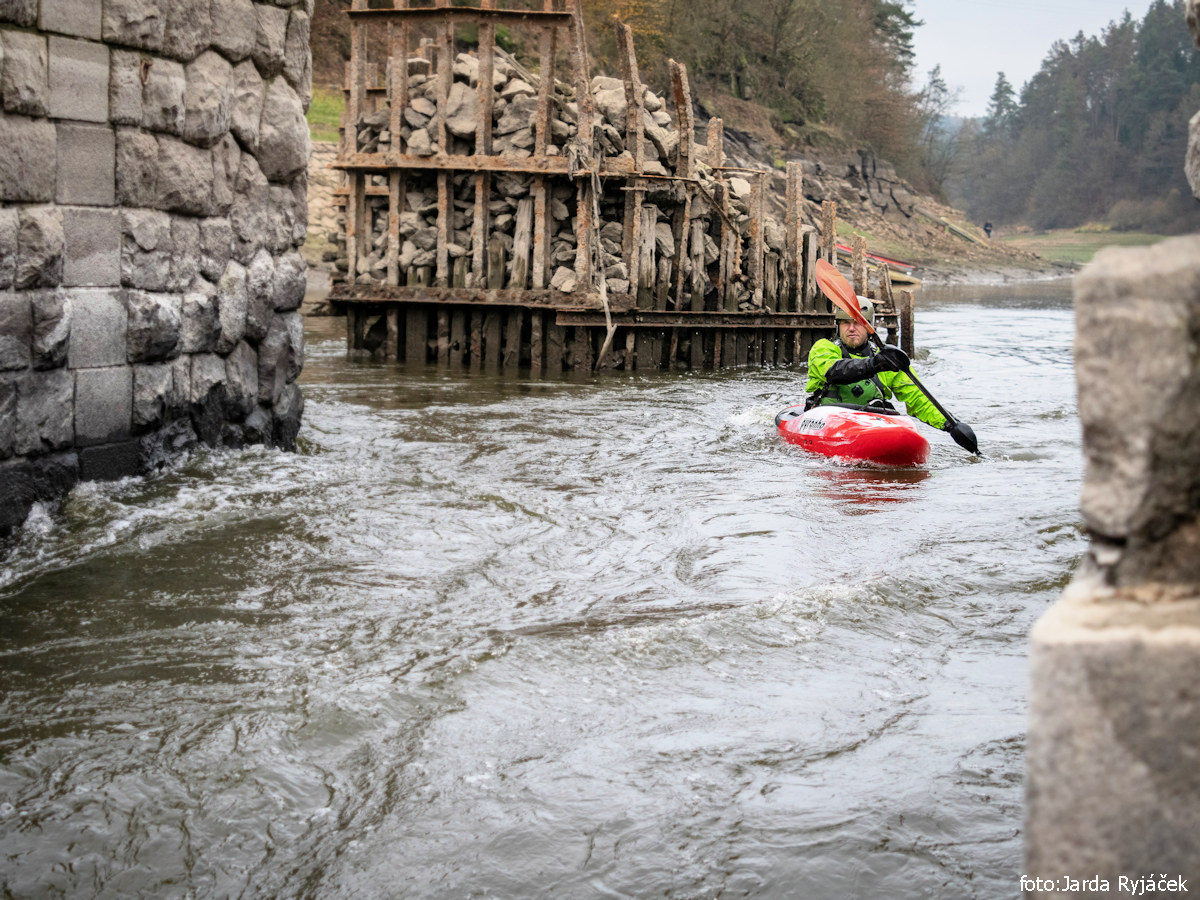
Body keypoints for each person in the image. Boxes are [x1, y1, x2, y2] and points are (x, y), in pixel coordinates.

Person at [804, 296, 948, 431]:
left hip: (870, 423)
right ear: (838, 326)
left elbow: (917, 398)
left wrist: (948, 424)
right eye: (846, 323)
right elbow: (833, 371)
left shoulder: (886, 359)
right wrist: (874, 365)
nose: (852, 328)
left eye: (858, 323)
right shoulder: (823, 348)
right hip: (830, 420)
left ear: (869, 327)